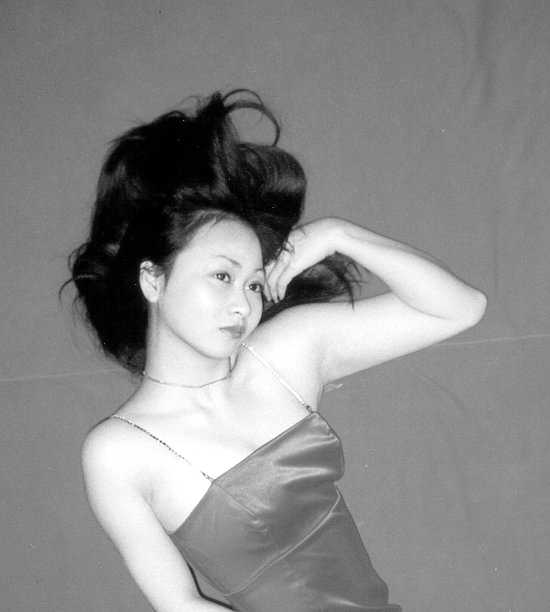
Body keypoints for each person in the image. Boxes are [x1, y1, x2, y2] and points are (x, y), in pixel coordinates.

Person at [66, 89, 487, 611]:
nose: (242, 304)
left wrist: (339, 234)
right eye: (222, 276)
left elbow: (460, 308)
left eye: (253, 284)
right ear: (153, 279)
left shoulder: (283, 354)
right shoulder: (117, 452)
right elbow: (182, 606)